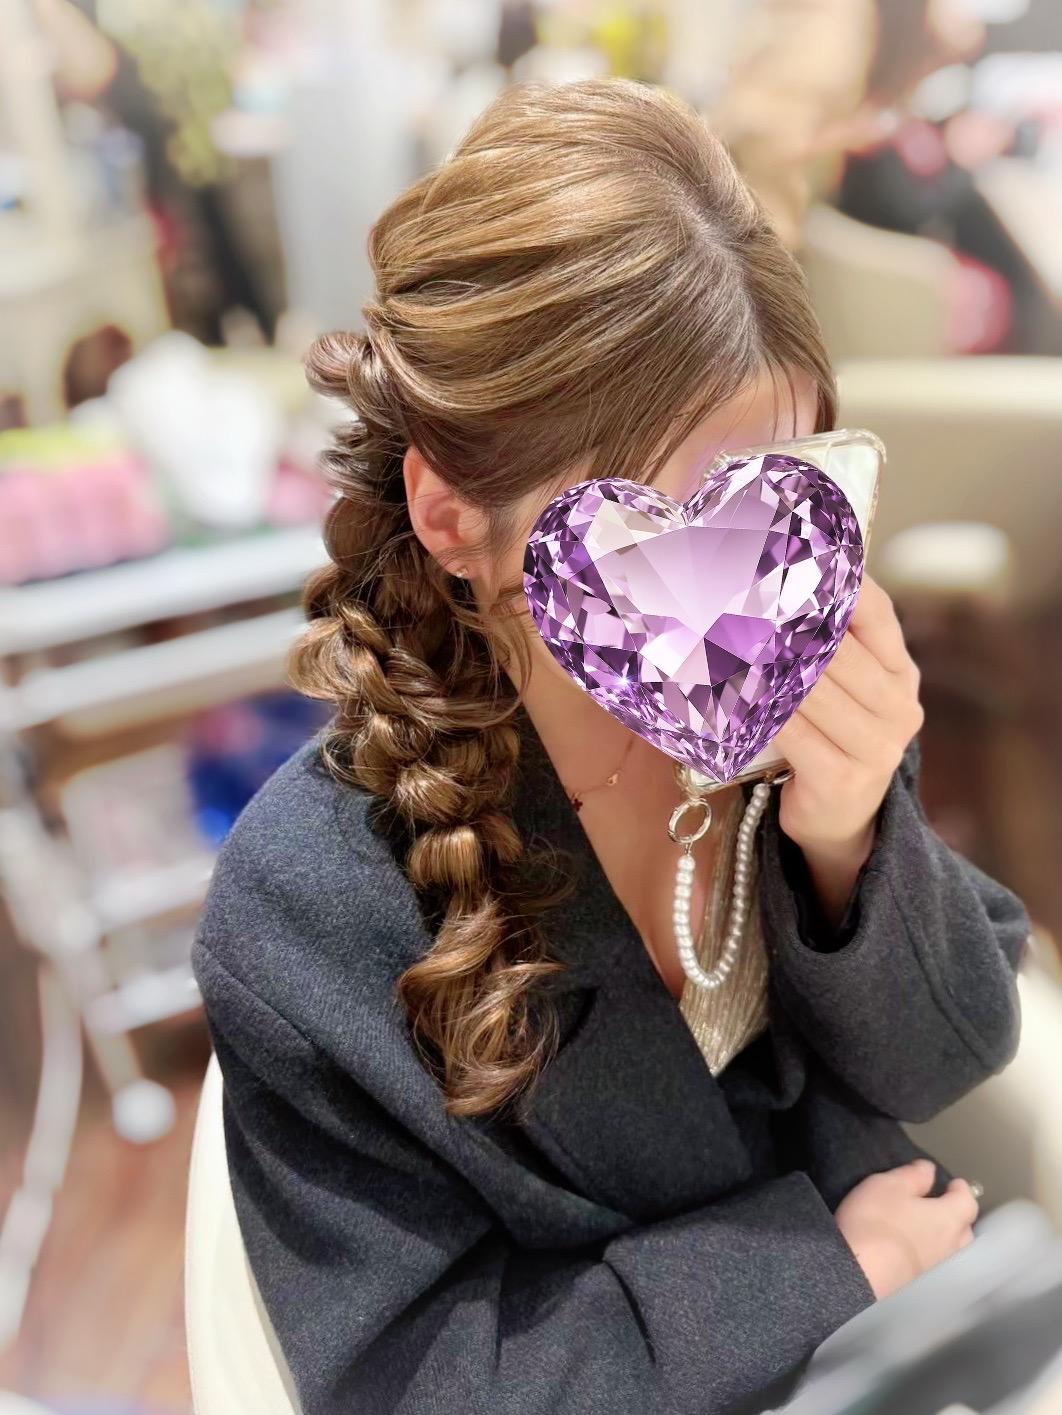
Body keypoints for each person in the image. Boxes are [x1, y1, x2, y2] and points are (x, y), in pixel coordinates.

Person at [191, 78, 1030, 1415]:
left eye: (769, 496)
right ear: (451, 516)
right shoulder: (308, 909)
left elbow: (947, 1056)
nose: (730, 595)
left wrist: (847, 837)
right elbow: (414, 1378)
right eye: (651, 523)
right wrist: (818, 1267)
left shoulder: (783, 665)